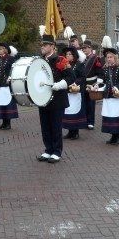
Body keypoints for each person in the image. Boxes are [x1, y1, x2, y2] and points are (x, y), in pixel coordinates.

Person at [36, 33, 74, 163]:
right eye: (42, 45)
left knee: (56, 127)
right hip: (43, 99)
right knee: (45, 126)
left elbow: (71, 77)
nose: (42, 47)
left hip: (57, 99)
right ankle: (48, 150)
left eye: (45, 45)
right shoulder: (39, 61)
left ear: (52, 46)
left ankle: (57, 151)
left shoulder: (60, 60)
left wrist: (60, 85)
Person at [98, 48, 119, 144]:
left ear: (115, 57)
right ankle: (112, 136)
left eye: (111, 57)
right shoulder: (105, 68)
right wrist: (97, 86)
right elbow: (104, 81)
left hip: (117, 96)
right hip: (108, 96)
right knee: (110, 116)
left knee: (117, 116)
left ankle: (117, 137)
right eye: (107, 57)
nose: (109, 59)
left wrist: (117, 87)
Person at [62, 46, 87, 139]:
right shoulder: (65, 65)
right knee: (68, 112)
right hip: (67, 92)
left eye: (70, 54)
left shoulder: (79, 64)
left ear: (74, 55)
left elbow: (83, 77)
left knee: (75, 112)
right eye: (66, 54)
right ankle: (70, 131)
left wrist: (75, 83)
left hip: (76, 92)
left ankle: (75, 132)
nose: (68, 56)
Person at [0, 42, 18, 130]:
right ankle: (3, 123)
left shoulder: (11, 58)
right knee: (1, 102)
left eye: (1, 49)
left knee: (7, 103)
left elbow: (14, 69)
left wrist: (10, 77)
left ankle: (8, 123)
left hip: (7, 84)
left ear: (5, 50)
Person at [81, 39, 103, 130]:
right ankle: (85, 121)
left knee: (91, 104)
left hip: (92, 83)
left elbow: (100, 72)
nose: (84, 50)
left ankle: (90, 122)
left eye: (85, 48)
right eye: (83, 48)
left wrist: (97, 84)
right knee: (84, 103)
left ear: (90, 48)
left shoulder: (95, 58)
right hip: (84, 83)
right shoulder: (83, 59)